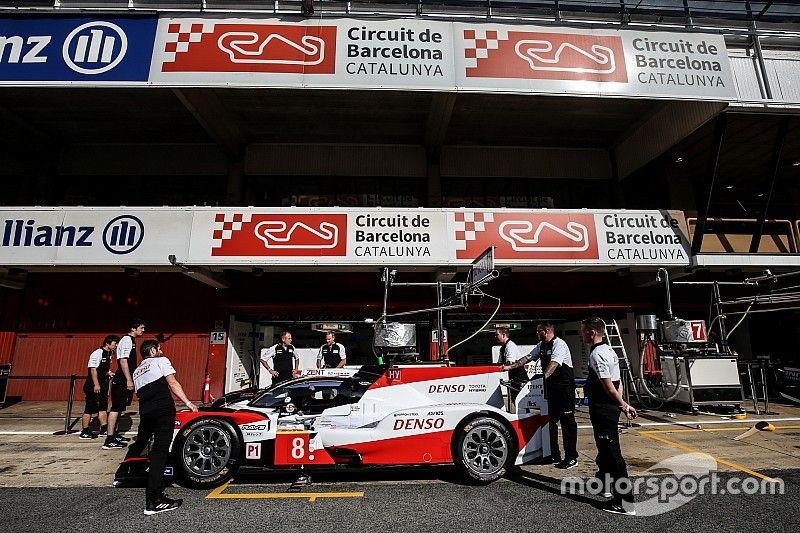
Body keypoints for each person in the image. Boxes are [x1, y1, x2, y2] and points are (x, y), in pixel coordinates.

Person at [125, 339, 198, 515]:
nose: (161, 351)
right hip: (163, 409)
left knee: (142, 441)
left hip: (146, 411)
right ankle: (155, 500)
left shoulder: (137, 371)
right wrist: (189, 403)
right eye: (159, 348)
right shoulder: (161, 361)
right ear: (152, 351)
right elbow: (173, 383)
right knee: (159, 453)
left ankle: (123, 474)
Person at [581, 317, 637, 515]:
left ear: (592, 333)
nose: (582, 334)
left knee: (612, 454)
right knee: (604, 450)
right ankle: (604, 486)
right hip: (610, 407)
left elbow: (608, 384)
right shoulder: (610, 351)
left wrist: (622, 404)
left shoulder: (597, 355)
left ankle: (625, 502)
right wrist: (621, 403)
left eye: (584, 331)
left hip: (603, 409)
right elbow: (618, 381)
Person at [504, 322, 578, 469]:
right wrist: (510, 367)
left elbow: (554, 363)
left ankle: (571, 457)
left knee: (567, 423)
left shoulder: (559, 344)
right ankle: (553, 454)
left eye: (539, 331)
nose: (537, 334)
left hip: (564, 389)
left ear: (546, 331)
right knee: (549, 423)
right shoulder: (542, 345)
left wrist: (541, 378)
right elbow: (528, 357)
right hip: (551, 390)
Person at [104, 319, 146, 450]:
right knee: (116, 408)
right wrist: (128, 379)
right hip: (121, 380)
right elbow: (123, 361)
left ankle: (115, 434)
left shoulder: (132, 341)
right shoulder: (127, 340)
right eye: (141, 328)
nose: (143, 330)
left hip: (125, 379)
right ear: (133, 329)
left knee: (120, 408)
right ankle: (109, 439)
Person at [79, 335, 120, 439]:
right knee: (89, 408)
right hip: (93, 386)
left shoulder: (110, 353)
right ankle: (85, 431)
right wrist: (96, 384)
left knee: (103, 407)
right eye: (115, 344)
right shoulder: (97, 353)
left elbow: (103, 369)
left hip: (103, 385)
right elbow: (93, 369)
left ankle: (104, 429)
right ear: (107, 343)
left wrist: (108, 373)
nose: (116, 346)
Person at [496, 327, 526, 405]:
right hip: (512, 377)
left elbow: (510, 362)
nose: (495, 337)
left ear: (503, 335)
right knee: (514, 398)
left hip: (519, 377)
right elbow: (499, 363)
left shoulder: (510, 346)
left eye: (497, 335)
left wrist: (501, 368)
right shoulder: (502, 348)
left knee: (520, 399)